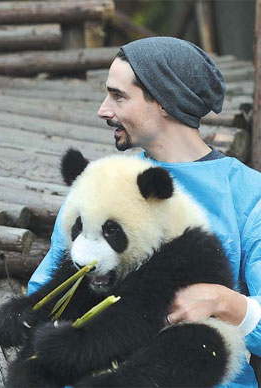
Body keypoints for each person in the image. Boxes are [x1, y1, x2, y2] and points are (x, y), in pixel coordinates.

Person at [28, 36, 261, 387]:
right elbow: (49, 293)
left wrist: (223, 301)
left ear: (165, 101)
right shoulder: (104, 184)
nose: (103, 110)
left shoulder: (248, 194)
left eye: (119, 95)